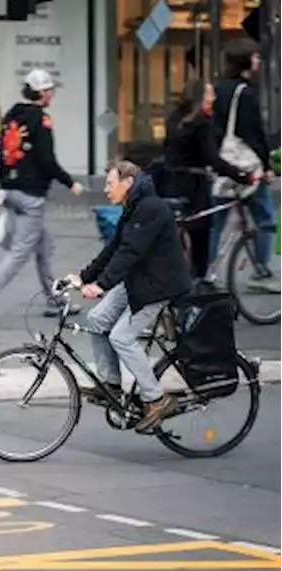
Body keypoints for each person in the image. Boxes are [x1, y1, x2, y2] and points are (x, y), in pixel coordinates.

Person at [68, 161, 192, 433]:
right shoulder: (133, 206)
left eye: (110, 183)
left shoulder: (150, 208)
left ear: (128, 183)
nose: (105, 189)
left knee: (121, 337)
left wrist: (101, 285)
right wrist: (85, 276)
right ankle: (110, 385)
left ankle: (155, 398)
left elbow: (130, 252)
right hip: (139, 279)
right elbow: (114, 247)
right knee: (97, 318)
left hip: (158, 285)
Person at [0, 68, 86, 317]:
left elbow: (0, 149)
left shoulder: (11, 115)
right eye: (49, 90)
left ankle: (56, 300)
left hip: (11, 190)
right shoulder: (41, 119)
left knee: (44, 246)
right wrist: (70, 182)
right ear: (41, 93)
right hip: (31, 194)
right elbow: (47, 160)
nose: (52, 94)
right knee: (19, 253)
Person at [161, 77, 256, 279]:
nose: (214, 97)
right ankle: (198, 286)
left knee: (179, 233)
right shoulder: (201, 123)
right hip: (193, 187)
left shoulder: (174, 119)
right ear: (201, 97)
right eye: (210, 93)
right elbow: (212, 159)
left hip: (170, 183)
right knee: (200, 239)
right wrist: (243, 176)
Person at [210, 39, 280, 293]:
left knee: (216, 221)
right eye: (256, 57)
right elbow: (253, 134)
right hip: (245, 167)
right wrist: (266, 165)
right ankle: (261, 272)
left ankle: (209, 274)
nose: (259, 61)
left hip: (222, 165)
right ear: (246, 61)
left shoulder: (218, 89)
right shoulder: (245, 93)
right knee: (265, 217)